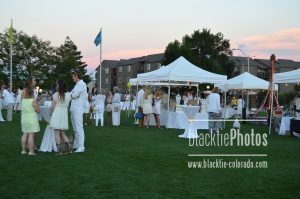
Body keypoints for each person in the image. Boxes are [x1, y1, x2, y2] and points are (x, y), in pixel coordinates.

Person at [49, 79, 72, 154]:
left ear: (59, 85)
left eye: (57, 84)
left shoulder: (56, 94)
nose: (56, 86)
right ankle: (69, 148)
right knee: (62, 132)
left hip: (57, 113)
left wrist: (51, 113)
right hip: (64, 113)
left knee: (57, 133)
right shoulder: (68, 95)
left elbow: (52, 106)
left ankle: (59, 151)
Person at [20, 79, 40, 155]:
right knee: (31, 135)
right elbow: (38, 110)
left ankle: (23, 150)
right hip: (31, 118)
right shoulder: (33, 101)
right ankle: (31, 151)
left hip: (24, 118)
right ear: (32, 93)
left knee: (25, 134)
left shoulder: (23, 101)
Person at [70, 71, 87, 153]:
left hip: (78, 109)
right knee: (75, 128)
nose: (72, 78)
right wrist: (73, 95)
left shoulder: (82, 84)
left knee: (79, 128)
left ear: (76, 76)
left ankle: (81, 146)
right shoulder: (77, 85)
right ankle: (76, 145)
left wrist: (73, 95)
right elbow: (71, 94)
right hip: (73, 109)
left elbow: (73, 95)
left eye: (73, 76)